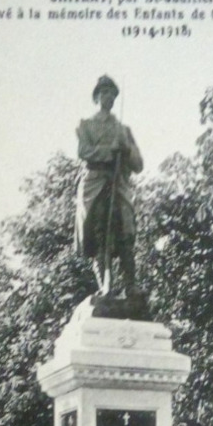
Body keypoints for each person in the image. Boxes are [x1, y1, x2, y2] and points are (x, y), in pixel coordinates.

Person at [75, 75, 143, 298]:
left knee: (125, 232)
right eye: (104, 93)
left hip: (119, 184)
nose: (109, 98)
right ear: (97, 97)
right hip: (96, 183)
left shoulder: (124, 130)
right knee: (99, 234)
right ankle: (106, 285)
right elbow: (84, 152)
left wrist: (126, 150)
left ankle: (131, 285)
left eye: (113, 94)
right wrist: (109, 150)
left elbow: (138, 164)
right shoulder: (86, 125)